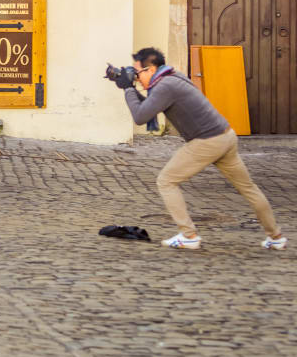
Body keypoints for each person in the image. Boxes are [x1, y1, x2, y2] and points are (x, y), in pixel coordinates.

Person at [120, 47, 287, 250]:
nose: (136, 78)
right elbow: (148, 107)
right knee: (248, 188)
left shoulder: (165, 86)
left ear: (151, 69)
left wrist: (128, 89)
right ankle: (276, 237)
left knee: (166, 181)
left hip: (207, 141)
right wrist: (126, 86)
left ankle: (188, 235)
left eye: (137, 73)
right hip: (226, 136)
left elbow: (140, 116)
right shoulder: (172, 77)